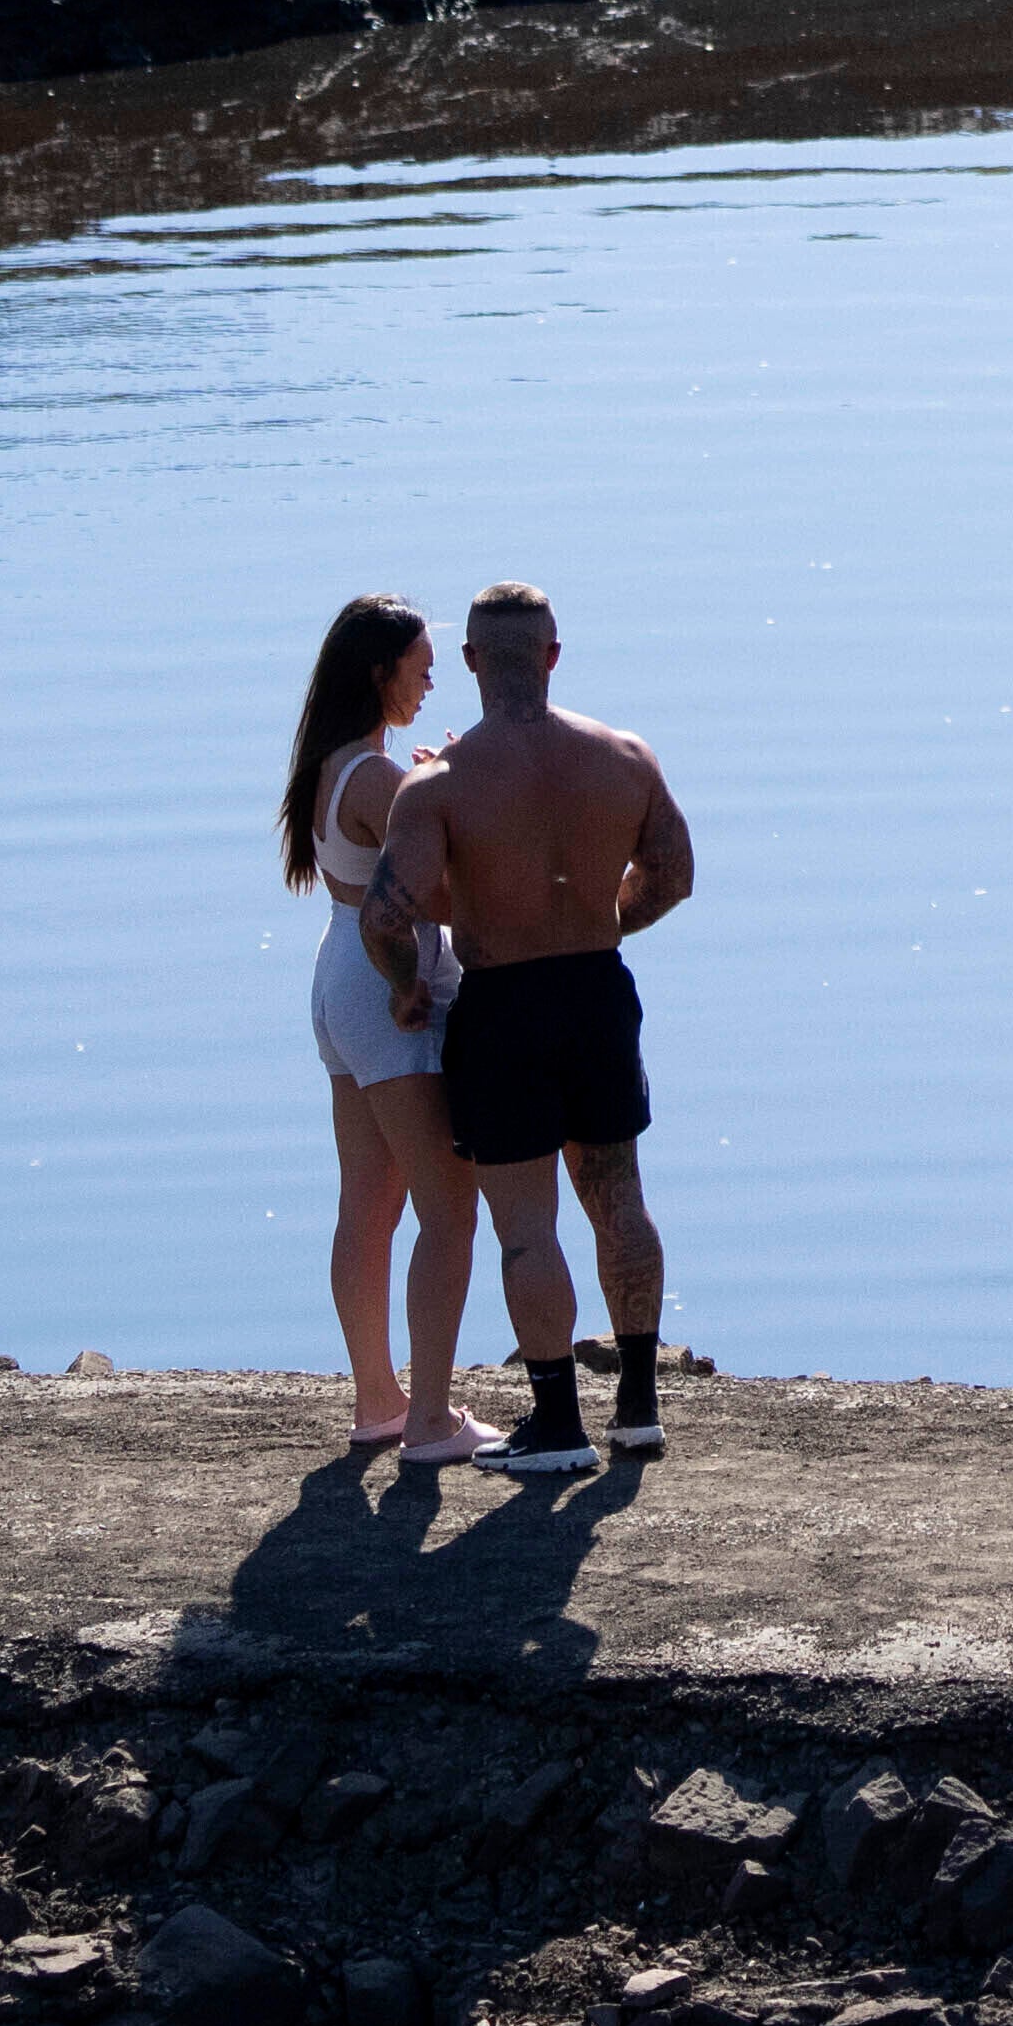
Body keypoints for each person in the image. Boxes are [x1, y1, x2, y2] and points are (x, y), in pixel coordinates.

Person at [367, 577, 697, 1471]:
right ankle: (637, 1408)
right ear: (553, 655)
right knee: (619, 1200)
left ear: (472, 663)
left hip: (504, 1004)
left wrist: (405, 989)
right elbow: (673, 873)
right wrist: (604, 922)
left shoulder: (439, 786)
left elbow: (386, 919)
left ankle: (557, 1425)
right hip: (596, 992)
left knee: (527, 1227)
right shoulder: (625, 757)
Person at [275, 595, 492, 1471]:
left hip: (338, 977)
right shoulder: (373, 779)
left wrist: (428, 775)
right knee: (449, 1209)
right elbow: (455, 854)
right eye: (422, 663)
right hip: (384, 987)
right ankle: (431, 1420)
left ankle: (380, 1401)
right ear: (380, 671)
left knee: (367, 1206)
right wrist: (453, 773)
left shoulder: (338, 767)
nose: (432, 677)